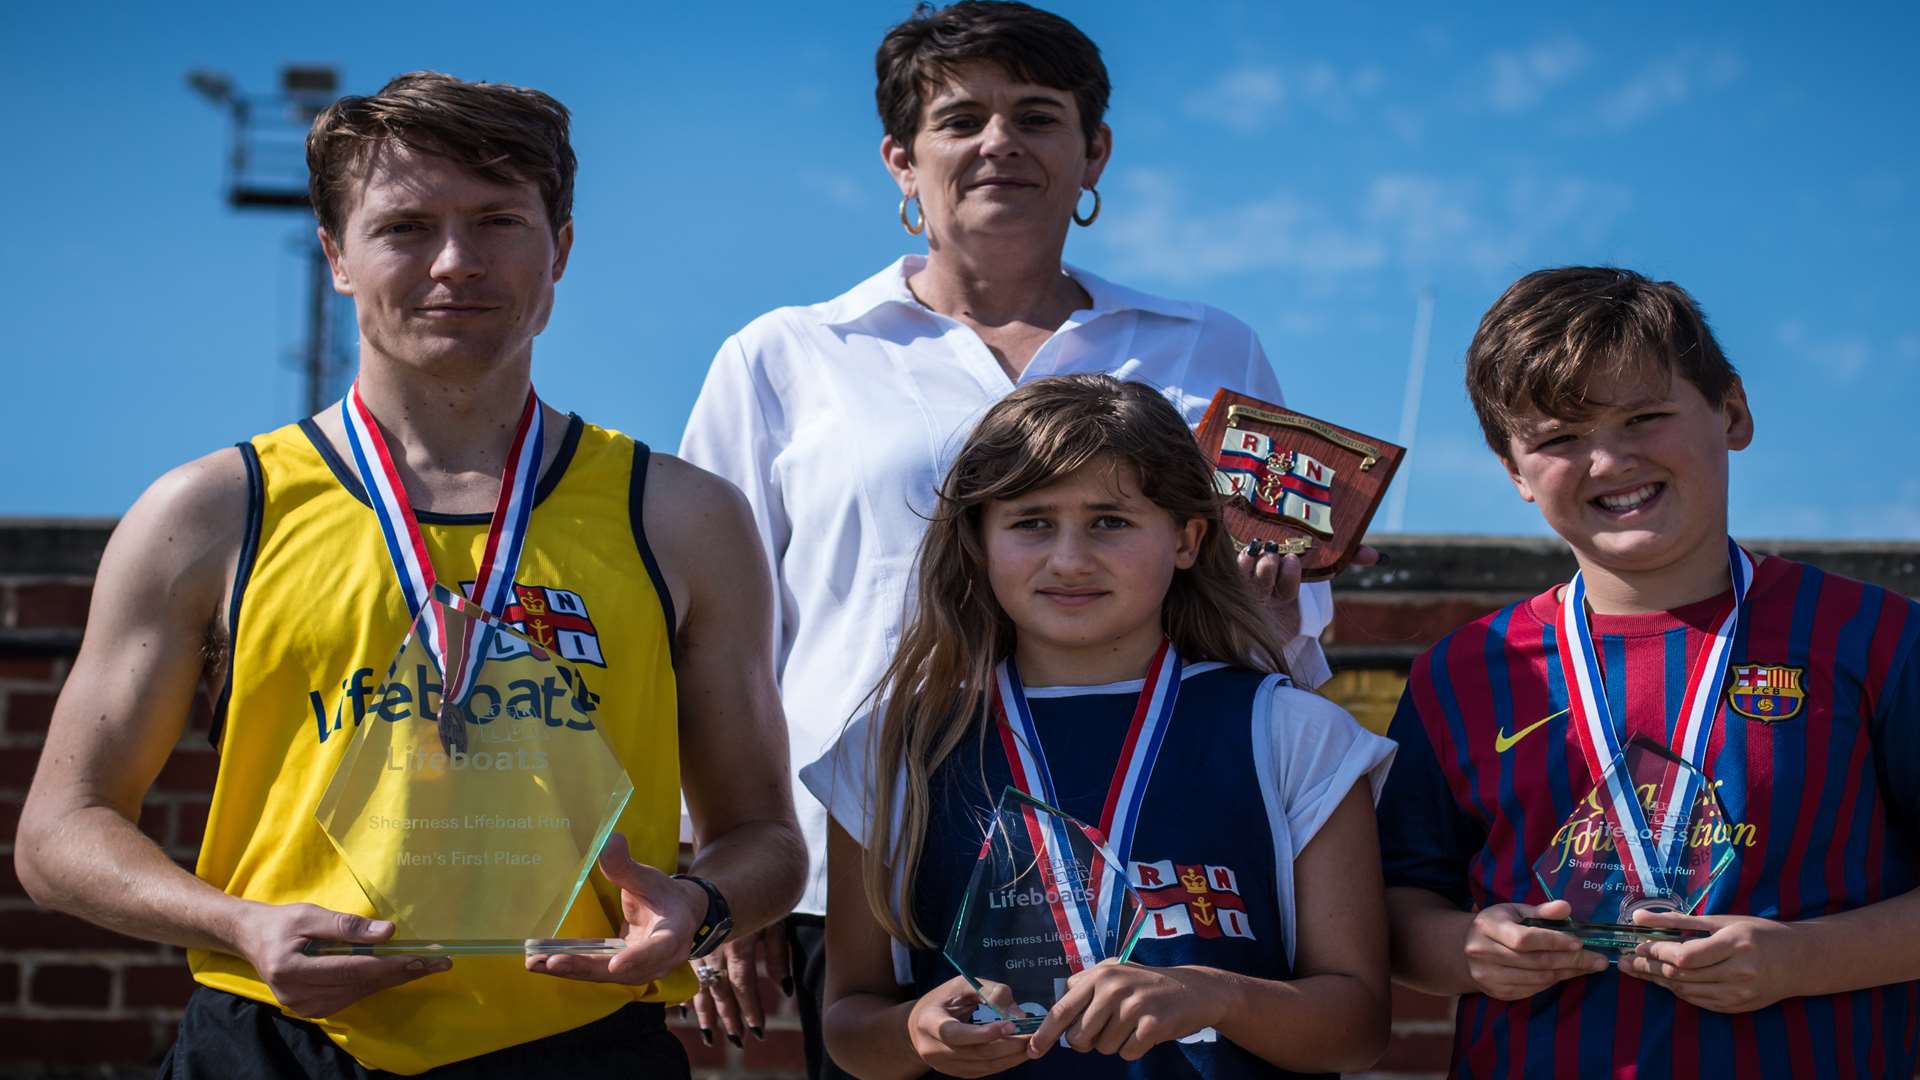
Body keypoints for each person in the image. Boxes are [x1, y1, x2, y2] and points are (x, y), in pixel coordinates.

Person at [13, 72, 806, 1077]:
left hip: (577, 1042)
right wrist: (234, 922)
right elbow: (57, 831)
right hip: (278, 1044)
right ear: (336, 255)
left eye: (497, 221)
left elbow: (766, 838)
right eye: (403, 227)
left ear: (560, 248)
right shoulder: (212, 511)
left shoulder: (680, 516)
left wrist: (698, 906)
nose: (454, 263)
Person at [678, 4, 1358, 1067]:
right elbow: (714, 638)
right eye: (961, 120)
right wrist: (726, 875)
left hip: (1166, 867)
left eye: (1039, 117)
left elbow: (1284, 616)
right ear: (902, 159)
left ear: (1094, 153)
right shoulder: (784, 354)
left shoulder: (1208, 346)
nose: (1001, 143)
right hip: (876, 862)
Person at [1378, 266, 1920, 1077]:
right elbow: (1393, 908)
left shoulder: (1873, 637)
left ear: (1732, 411)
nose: (1607, 460)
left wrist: (1805, 960)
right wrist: (1467, 948)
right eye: (1559, 437)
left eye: (1645, 416)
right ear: (1514, 473)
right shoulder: (1464, 671)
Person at [800, 374, 1394, 1078]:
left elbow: (1357, 1027)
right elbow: (848, 1025)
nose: (1070, 559)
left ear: (1185, 538)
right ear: (979, 542)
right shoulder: (890, 750)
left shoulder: (1293, 733)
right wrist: (913, 1030)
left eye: (1110, 521)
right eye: (1031, 522)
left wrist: (1216, 996)